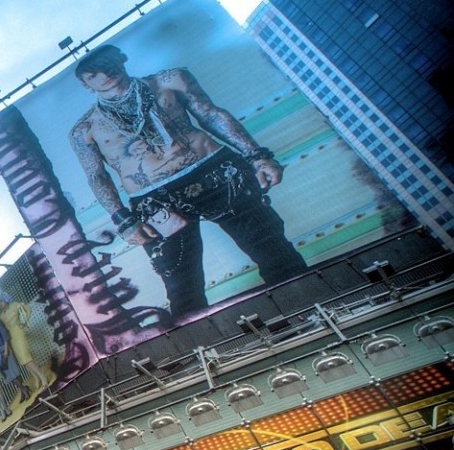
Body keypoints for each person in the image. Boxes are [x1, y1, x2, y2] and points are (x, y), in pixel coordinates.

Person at [66, 42, 307, 320]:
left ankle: (309, 311)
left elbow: (211, 115)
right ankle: (206, 354)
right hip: (154, 200)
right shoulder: (84, 130)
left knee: (273, 251)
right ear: (86, 84)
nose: (104, 74)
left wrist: (257, 156)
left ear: (121, 58)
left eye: (107, 64)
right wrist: (123, 220)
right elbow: (97, 177)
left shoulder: (171, 80)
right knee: (182, 288)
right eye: (93, 74)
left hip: (215, 173)